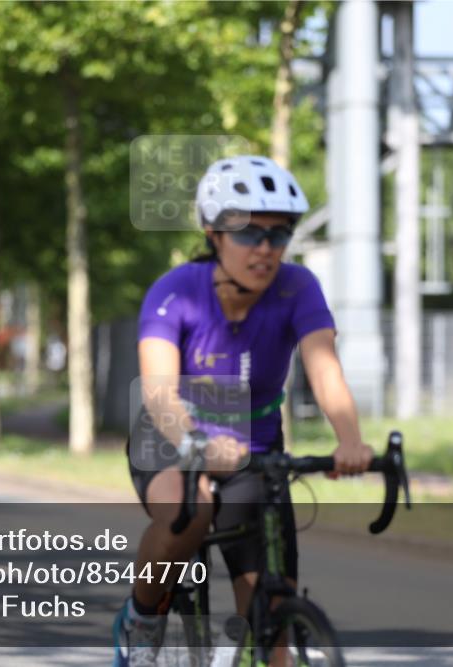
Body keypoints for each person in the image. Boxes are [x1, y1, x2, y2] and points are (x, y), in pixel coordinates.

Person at [114, 156, 375, 666]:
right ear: (213, 233)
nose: (264, 249)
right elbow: (160, 392)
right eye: (249, 233)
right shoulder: (175, 293)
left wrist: (351, 440)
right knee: (193, 508)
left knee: (271, 616)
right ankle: (143, 619)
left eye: (278, 237)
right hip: (170, 441)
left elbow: (325, 371)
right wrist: (197, 445)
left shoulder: (297, 287)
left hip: (255, 454)